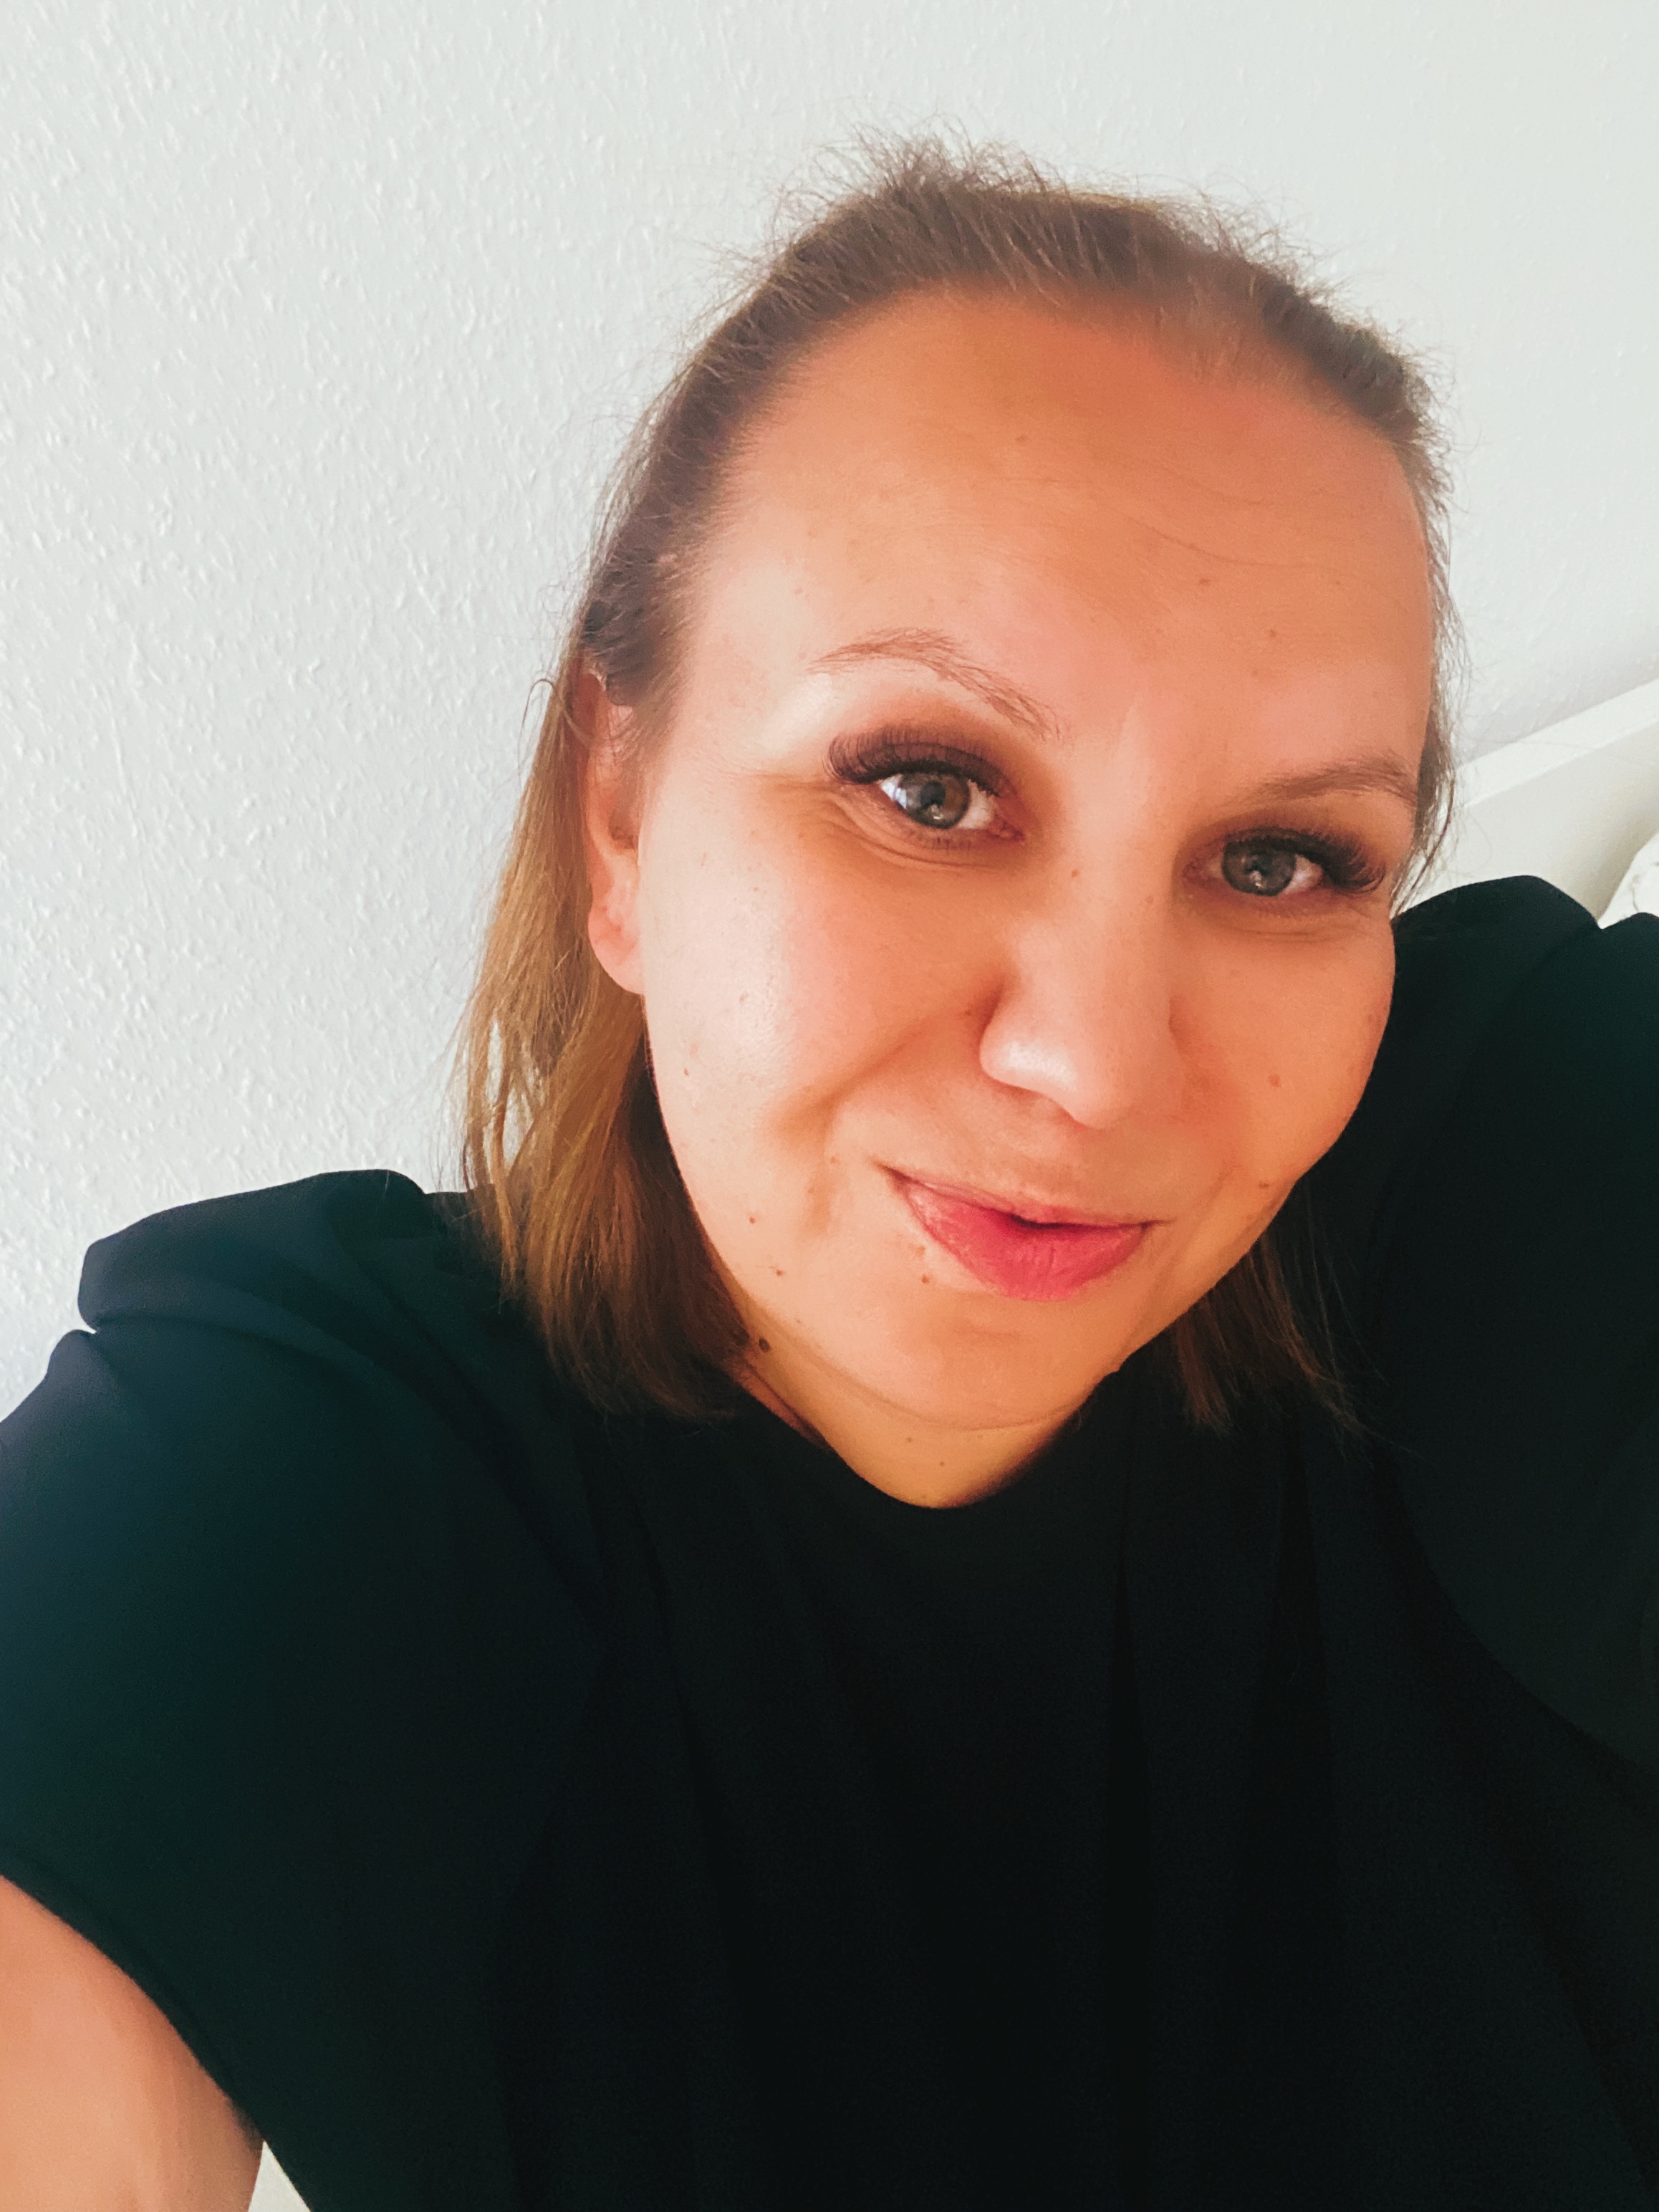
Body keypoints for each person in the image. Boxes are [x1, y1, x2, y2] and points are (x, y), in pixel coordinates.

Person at [1, 134, 1656, 2212]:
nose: (1090, 1065)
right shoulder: (299, 1466)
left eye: (1279, 859)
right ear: (618, 816)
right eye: (928, 785)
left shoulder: (1506, 1138)